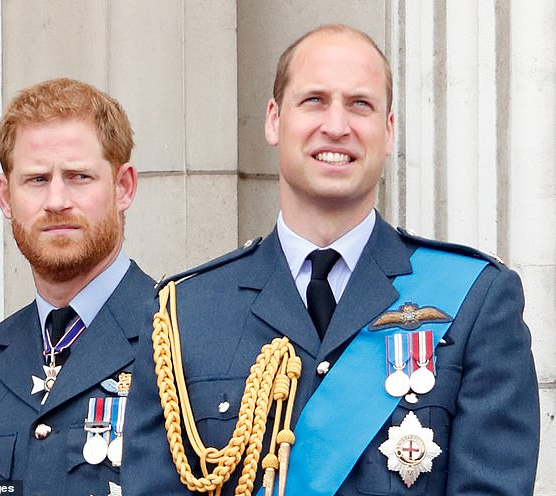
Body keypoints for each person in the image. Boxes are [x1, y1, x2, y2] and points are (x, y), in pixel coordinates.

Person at [127, 24, 540, 495]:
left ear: (387, 131)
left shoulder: (475, 301)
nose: (337, 126)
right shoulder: (186, 314)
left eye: (360, 104)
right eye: (315, 100)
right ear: (273, 120)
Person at [0, 78, 156, 496]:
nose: (56, 200)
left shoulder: (182, 343)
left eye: (78, 176)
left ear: (123, 186)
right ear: (5, 196)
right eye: (37, 179)